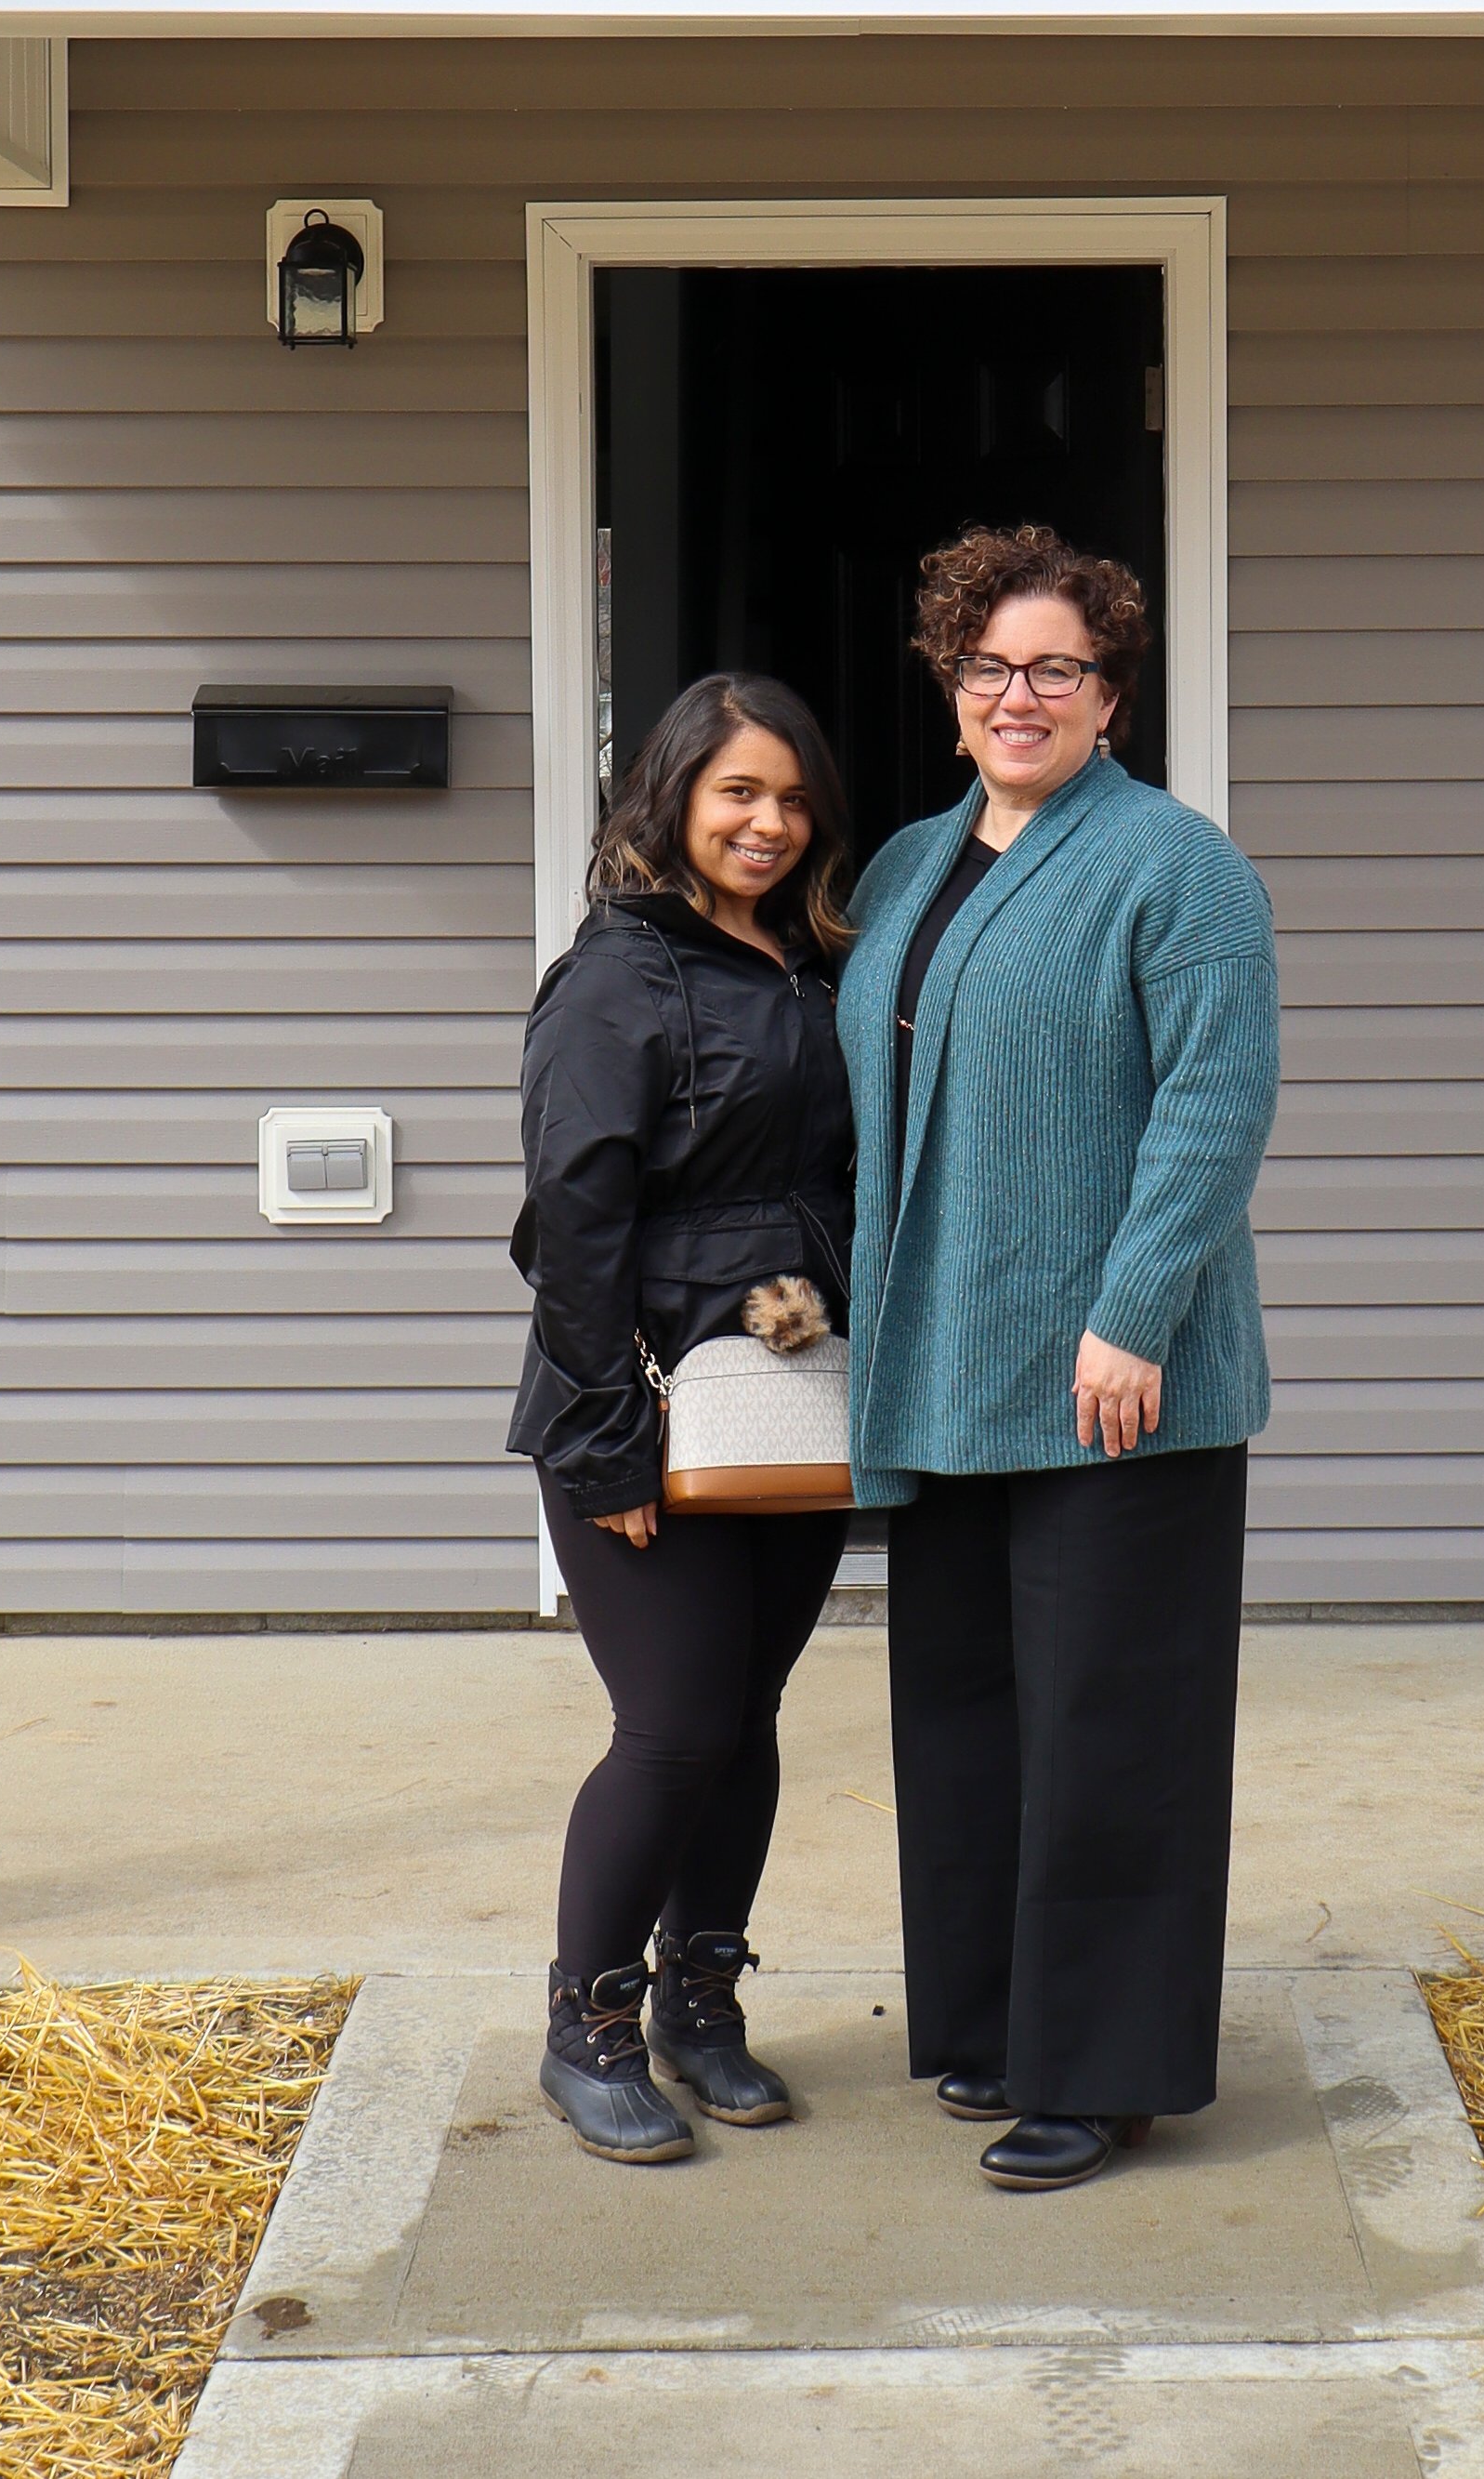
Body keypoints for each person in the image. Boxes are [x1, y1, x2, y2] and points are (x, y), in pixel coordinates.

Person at [837, 525, 1281, 2194]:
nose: (1020, 695)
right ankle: (991, 2025)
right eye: (989, 666)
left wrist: (1136, 1307)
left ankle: (1102, 2075)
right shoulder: (901, 867)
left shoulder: (1180, 868)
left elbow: (1214, 1105)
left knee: (1113, 1730)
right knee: (963, 1718)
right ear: (952, 688)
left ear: (1110, 693)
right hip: (947, 1363)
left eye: (1057, 669)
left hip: (1117, 1383)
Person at [508, 673, 860, 2165]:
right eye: (739, 794)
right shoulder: (617, 979)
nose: (769, 823)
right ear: (674, 798)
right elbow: (573, 1223)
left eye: (791, 799)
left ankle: (698, 2002)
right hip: (650, 1404)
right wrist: (603, 1442)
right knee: (671, 1726)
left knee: (751, 1718)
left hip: (793, 1396)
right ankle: (584, 2023)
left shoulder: (806, 965)